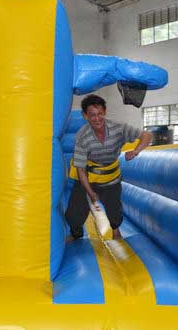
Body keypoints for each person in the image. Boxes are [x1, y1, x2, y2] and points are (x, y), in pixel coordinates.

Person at [65, 94, 153, 241]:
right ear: (85, 115)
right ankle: (76, 234)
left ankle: (116, 230)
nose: (97, 118)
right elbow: (80, 169)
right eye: (92, 115)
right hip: (88, 176)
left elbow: (147, 135)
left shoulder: (118, 128)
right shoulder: (82, 136)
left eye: (100, 114)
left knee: (114, 211)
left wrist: (136, 150)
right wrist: (90, 192)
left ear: (105, 112)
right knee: (73, 215)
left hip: (111, 177)